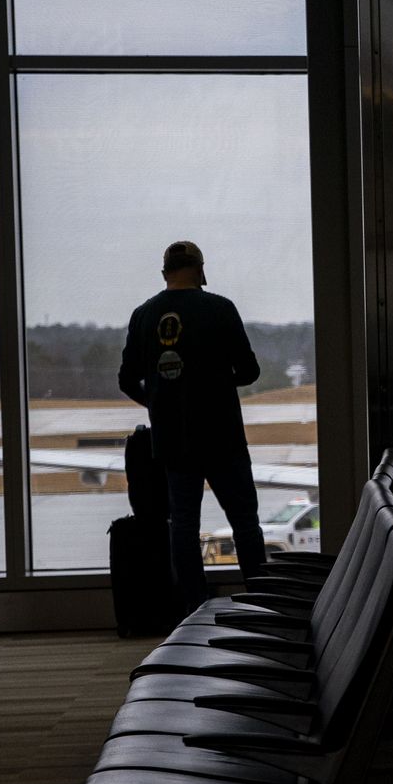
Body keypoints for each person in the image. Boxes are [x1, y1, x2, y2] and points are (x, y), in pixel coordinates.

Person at [118, 240, 265, 614]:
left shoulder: (143, 316)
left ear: (165, 273)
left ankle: (194, 610)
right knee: (245, 524)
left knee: (183, 525)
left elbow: (126, 379)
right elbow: (249, 371)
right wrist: (213, 385)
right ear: (201, 270)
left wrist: (160, 402)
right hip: (223, 437)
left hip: (173, 441)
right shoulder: (220, 309)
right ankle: (264, 604)